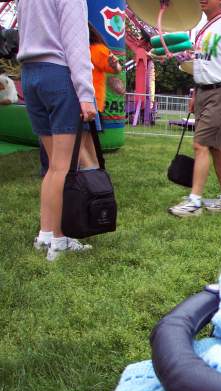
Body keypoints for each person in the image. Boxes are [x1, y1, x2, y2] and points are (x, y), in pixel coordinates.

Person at [18, 0, 97, 261]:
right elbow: (76, 44)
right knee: (63, 167)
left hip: (30, 75)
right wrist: (86, 93)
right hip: (58, 75)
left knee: (53, 166)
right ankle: (60, 240)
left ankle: (46, 234)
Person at [168, 0, 221, 217]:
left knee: (200, 144)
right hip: (204, 91)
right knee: (215, 148)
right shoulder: (202, 29)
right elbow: (201, 64)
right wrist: (195, 93)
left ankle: (194, 202)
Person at [78, 23, 123, 170]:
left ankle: (90, 175)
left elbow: (115, 67)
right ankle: (95, 172)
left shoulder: (96, 49)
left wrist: (115, 65)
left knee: (78, 144)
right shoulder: (90, 49)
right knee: (87, 143)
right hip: (88, 101)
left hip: (89, 102)